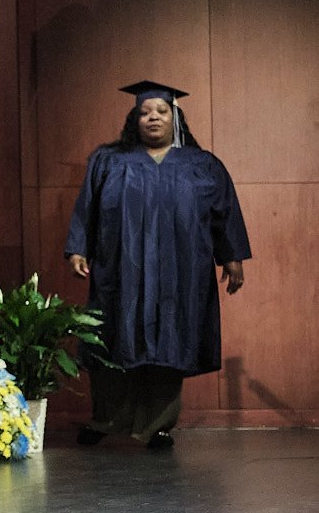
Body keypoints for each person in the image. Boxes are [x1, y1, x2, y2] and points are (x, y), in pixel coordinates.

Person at [65, 80, 250, 450]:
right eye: (145, 112)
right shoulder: (109, 161)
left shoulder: (202, 165)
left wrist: (232, 257)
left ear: (175, 118)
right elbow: (87, 207)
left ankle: (158, 427)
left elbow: (224, 213)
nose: (153, 118)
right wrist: (77, 248)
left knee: (170, 343)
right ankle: (105, 420)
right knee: (113, 339)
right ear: (134, 119)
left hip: (179, 273)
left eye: (162, 111)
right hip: (121, 271)